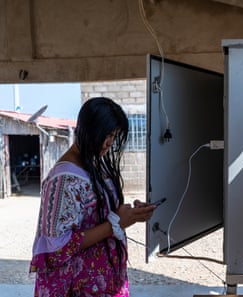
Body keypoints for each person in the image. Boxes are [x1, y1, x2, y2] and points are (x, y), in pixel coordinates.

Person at [29, 97, 155, 297]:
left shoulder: (94, 162)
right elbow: (56, 246)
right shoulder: (63, 179)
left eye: (114, 136)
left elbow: (98, 214)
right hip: (77, 288)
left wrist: (129, 214)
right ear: (87, 130)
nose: (110, 143)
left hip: (99, 281)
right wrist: (116, 223)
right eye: (106, 135)